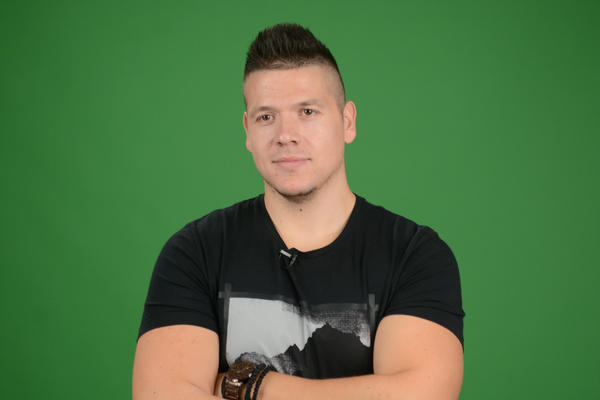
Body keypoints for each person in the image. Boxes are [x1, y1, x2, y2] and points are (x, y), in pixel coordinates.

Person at [132, 23, 465, 400]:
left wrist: (252, 386)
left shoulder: (414, 255)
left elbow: (421, 394)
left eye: (307, 111)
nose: (285, 134)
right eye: (266, 117)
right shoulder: (195, 252)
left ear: (347, 122)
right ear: (247, 130)